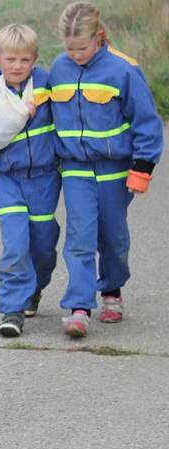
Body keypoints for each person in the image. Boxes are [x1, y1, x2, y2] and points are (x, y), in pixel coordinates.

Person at [50, 2, 163, 337]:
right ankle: (79, 307)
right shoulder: (58, 68)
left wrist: (142, 168)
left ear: (99, 37)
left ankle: (111, 290)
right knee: (79, 237)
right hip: (75, 169)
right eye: (69, 49)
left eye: (82, 48)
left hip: (114, 170)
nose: (76, 56)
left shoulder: (124, 70)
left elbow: (146, 122)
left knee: (113, 237)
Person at [0, 24, 60, 337]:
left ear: (35, 59)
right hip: (8, 180)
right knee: (15, 245)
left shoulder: (46, 84)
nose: (17, 66)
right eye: (10, 60)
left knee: (44, 245)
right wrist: (12, 118)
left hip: (45, 180)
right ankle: (12, 309)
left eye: (24, 60)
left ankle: (34, 288)